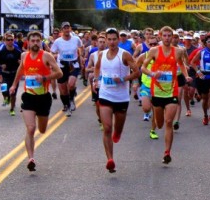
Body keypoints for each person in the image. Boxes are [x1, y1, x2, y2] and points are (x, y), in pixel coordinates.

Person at [9, 31, 63, 171]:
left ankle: (39, 127)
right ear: (28, 42)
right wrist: (14, 85)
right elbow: (20, 70)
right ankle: (31, 158)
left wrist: (44, 78)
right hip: (28, 97)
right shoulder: (24, 56)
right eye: (32, 40)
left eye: (37, 41)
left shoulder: (46, 56)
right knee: (31, 128)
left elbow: (59, 73)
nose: (35, 43)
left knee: (42, 130)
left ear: (41, 42)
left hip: (43, 98)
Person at [141, 26, 192, 164]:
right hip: (157, 92)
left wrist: (186, 76)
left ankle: (167, 152)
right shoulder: (154, 51)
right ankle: (159, 122)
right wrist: (152, 74)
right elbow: (143, 67)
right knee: (159, 123)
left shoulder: (178, 51)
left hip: (171, 91)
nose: (168, 38)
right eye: (165, 35)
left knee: (169, 122)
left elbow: (181, 65)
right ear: (160, 36)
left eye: (170, 35)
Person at [93, 28, 140, 173]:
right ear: (105, 40)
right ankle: (110, 159)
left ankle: (117, 134)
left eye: (114, 39)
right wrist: (96, 80)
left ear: (118, 40)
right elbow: (97, 67)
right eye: (109, 39)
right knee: (107, 127)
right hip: (105, 94)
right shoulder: (101, 54)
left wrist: (123, 79)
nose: (112, 42)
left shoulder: (124, 55)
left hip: (121, 98)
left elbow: (137, 71)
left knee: (117, 130)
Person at [50, 21, 83, 117]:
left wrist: (80, 56)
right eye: (64, 28)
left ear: (70, 29)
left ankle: (71, 99)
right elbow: (52, 52)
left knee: (71, 84)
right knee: (63, 90)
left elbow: (81, 47)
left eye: (68, 28)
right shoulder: (58, 41)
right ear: (62, 30)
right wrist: (55, 57)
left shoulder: (76, 39)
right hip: (62, 66)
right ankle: (67, 105)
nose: (66, 29)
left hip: (73, 65)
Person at [190, 34, 210, 125]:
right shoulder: (201, 52)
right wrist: (198, 71)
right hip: (203, 78)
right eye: (208, 42)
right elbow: (192, 62)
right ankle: (205, 116)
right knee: (205, 99)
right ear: (205, 43)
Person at [0, 32, 22, 115]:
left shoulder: (18, 52)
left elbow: (23, 63)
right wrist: (1, 66)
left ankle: (12, 109)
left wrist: (20, 62)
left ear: (14, 40)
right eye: (8, 40)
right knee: (4, 90)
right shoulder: (2, 52)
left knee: (13, 92)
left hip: (15, 74)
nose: (10, 41)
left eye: (12, 40)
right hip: (5, 74)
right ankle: (6, 98)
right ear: (5, 41)